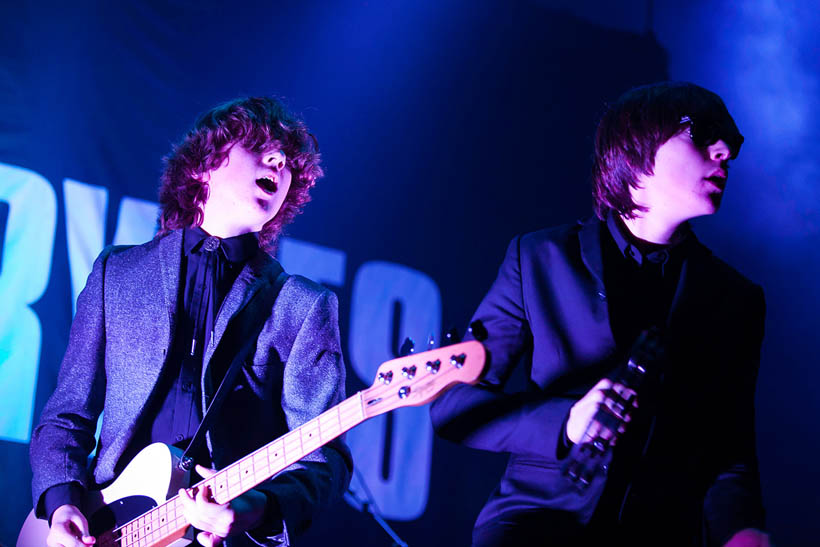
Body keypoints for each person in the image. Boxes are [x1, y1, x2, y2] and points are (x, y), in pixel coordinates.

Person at [430, 82, 770, 546]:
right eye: (704, 132)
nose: (726, 150)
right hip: (534, 526)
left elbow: (730, 455)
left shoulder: (736, 299)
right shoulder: (539, 257)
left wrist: (745, 534)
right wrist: (567, 422)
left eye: (732, 139)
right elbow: (453, 405)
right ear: (638, 143)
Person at [29, 97, 351, 547]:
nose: (278, 161)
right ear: (204, 164)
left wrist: (252, 510)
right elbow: (65, 417)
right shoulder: (117, 275)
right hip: (105, 528)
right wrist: (63, 503)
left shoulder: (302, 306)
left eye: (288, 160)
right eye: (261, 146)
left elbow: (323, 459)